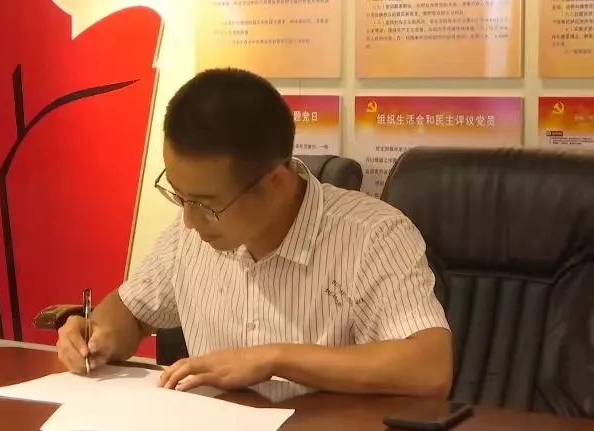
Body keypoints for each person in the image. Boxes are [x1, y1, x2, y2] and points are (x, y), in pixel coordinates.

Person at [56, 68, 453, 397]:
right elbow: (131, 311)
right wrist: (97, 335)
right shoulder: (190, 231)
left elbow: (429, 367)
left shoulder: (372, 236)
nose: (190, 220)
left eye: (207, 204)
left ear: (276, 184)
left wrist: (273, 359)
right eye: (180, 196)